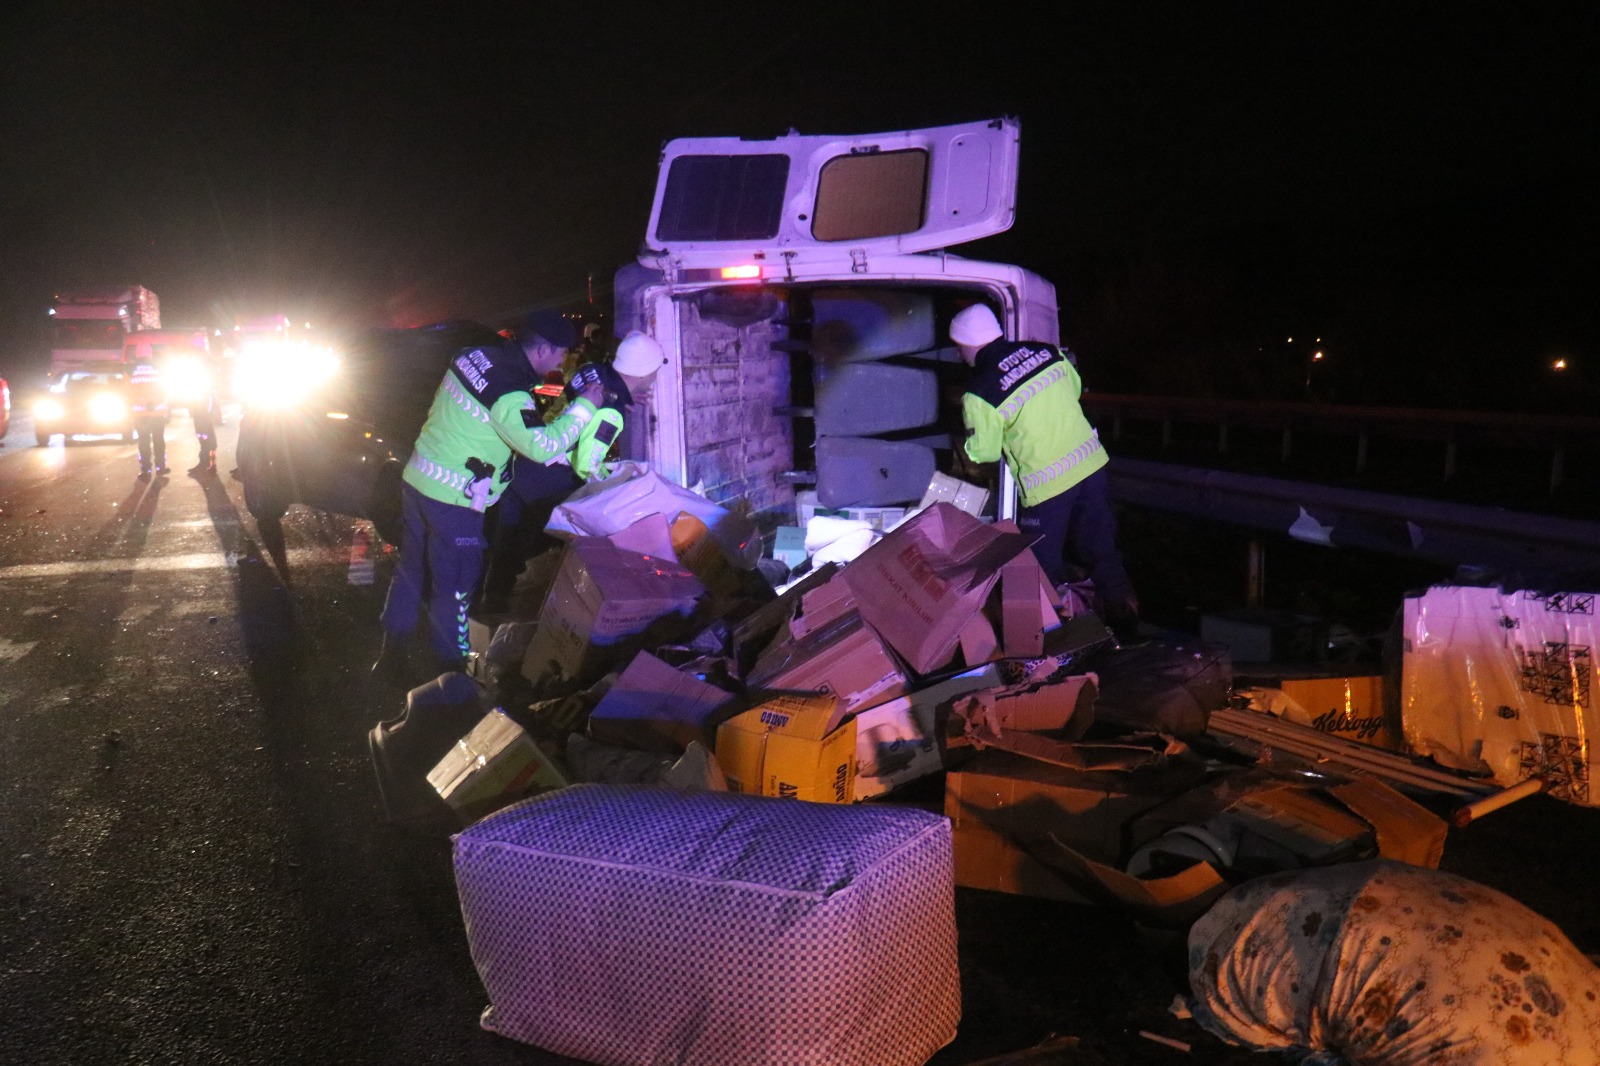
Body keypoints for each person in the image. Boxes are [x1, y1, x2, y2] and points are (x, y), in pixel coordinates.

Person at [373, 310, 605, 681]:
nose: (562, 360)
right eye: (561, 353)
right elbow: (541, 447)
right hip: (455, 500)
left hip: (419, 480)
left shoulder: (472, 356)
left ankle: (391, 653)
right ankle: (450, 676)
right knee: (456, 588)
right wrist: (585, 406)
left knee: (412, 570)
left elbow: (493, 424)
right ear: (543, 349)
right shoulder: (509, 393)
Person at [949, 303, 1141, 643]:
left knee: (1040, 567)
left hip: (1048, 487)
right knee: (1102, 550)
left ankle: (1062, 641)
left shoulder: (980, 391)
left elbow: (985, 452)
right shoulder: (1046, 353)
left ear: (965, 344)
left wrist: (967, 440)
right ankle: (1127, 627)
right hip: (1091, 467)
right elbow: (1076, 387)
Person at [476, 330, 668, 614]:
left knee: (502, 540)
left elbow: (580, 396)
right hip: (549, 480)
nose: (655, 376)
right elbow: (586, 464)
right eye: (653, 370)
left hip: (527, 462)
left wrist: (623, 395)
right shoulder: (611, 412)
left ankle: (484, 600)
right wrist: (614, 476)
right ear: (643, 372)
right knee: (558, 543)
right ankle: (539, 607)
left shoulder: (592, 372)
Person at [127, 353, 170, 479]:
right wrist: (153, 404)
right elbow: (165, 391)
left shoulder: (130, 372)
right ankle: (160, 467)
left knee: (144, 441)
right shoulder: (159, 371)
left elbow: (128, 394)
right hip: (157, 413)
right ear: (150, 355)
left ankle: (146, 469)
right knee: (159, 440)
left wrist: (143, 403)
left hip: (140, 414)